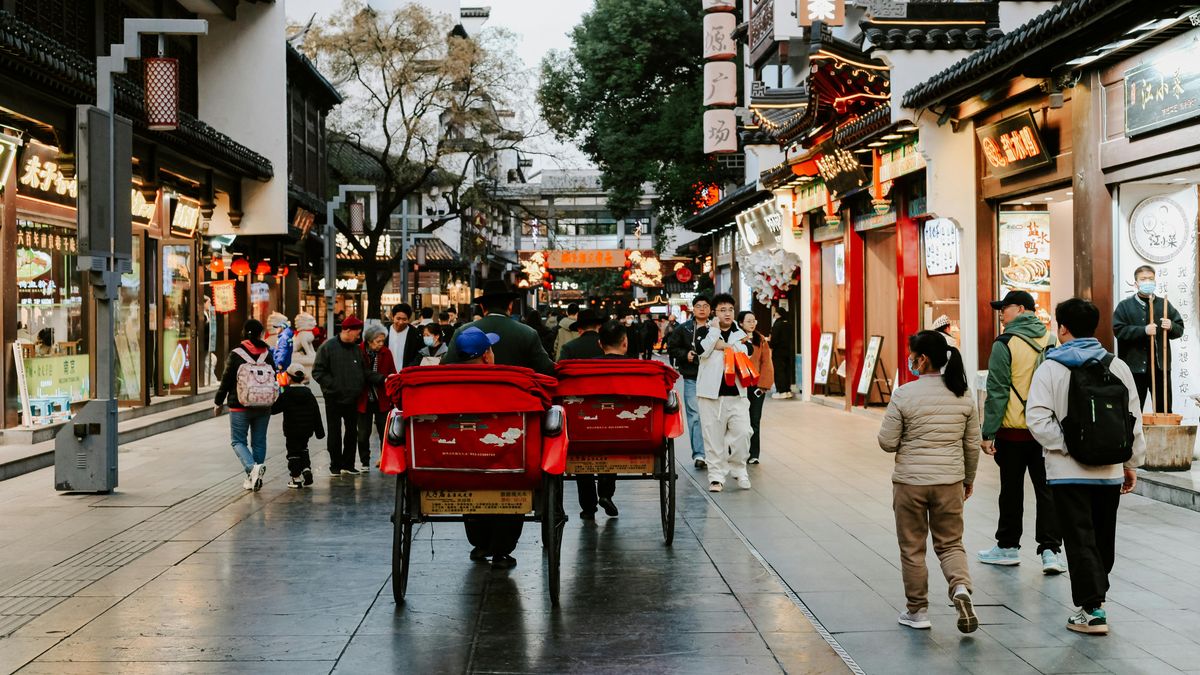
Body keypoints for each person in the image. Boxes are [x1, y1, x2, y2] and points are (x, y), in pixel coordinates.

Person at [1026, 298, 1145, 636]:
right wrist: (1129, 462)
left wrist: (1071, 446)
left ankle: (1091, 609)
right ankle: (1096, 603)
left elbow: (1036, 419)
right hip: (1109, 471)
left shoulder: (1050, 367)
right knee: (1102, 537)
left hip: (1067, 473)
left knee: (1078, 538)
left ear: (1062, 328)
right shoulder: (1117, 366)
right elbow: (1132, 420)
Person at [444, 280, 556, 570]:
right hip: (513, 423)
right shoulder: (527, 333)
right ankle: (502, 549)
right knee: (513, 472)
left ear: (481, 307)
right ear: (510, 306)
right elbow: (548, 373)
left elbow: (444, 372)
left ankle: (480, 543)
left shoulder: (462, 333)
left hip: (465, 425)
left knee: (471, 472)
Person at [878, 330, 980, 634]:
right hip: (949, 481)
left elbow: (886, 441)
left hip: (910, 482)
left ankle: (918, 611)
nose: (910, 360)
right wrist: (968, 479)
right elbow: (972, 444)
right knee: (950, 544)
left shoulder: (904, 394)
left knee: (912, 548)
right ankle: (960, 587)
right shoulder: (963, 395)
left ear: (922, 359)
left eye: (912, 355)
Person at [978, 290, 1065, 573]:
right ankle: (1050, 551)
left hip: (1012, 432)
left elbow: (998, 391)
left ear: (1020, 308)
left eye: (1004, 308)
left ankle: (1007, 547)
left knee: (1011, 490)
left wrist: (988, 432)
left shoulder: (1005, 344)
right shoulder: (1052, 340)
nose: (1001, 313)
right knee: (1047, 491)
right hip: (1046, 433)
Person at [695, 294, 753, 492]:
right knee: (713, 438)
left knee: (743, 433)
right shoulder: (704, 331)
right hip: (710, 395)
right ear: (715, 312)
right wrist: (714, 334)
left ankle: (739, 469)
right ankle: (716, 477)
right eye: (722, 310)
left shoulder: (740, 331)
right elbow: (701, 350)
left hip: (737, 394)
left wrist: (725, 346)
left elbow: (748, 352)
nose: (727, 314)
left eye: (730, 310)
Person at [574, 319, 630, 520]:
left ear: (600, 344)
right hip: (626, 429)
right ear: (625, 342)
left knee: (586, 443)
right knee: (615, 432)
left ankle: (588, 506)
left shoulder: (585, 370)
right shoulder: (637, 368)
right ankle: (606, 494)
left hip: (590, 428)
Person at [214, 319, 276, 491]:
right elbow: (274, 378)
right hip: (264, 406)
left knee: (237, 441)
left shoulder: (236, 354)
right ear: (260, 334)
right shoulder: (267, 354)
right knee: (259, 441)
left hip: (239, 405)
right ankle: (254, 478)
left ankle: (252, 468)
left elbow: (226, 381)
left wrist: (218, 402)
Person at [1113, 265, 1185, 412]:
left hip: (1160, 368)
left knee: (1163, 410)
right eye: (1143, 279)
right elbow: (1118, 330)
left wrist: (1171, 326)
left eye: (1151, 279)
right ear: (1136, 283)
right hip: (1134, 368)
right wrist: (1143, 331)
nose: (1148, 282)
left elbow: (1180, 329)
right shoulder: (1125, 306)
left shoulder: (1164, 304)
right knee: (1132, 411)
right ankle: (1134, 436)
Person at [313, 315, 367, 477]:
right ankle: (335, 465)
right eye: (357, 333)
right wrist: (333, 386)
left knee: (352, 432)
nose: (359, 336)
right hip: (333, 398)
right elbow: (318, 372)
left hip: (353, 398)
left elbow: (363, 371)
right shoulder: (327, 347)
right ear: (348, 330)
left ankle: (349, 464)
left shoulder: (357, 349)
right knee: (334, 432)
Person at [667, 297, 711, 467]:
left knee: (715, 416)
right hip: (692, 377)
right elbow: (672, 347)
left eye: (705, 306)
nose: (702, 309)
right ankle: (699, 455)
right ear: (693, 309)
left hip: (714, 378)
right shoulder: (683, 329)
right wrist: (685, 355)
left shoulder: (715, 328)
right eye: (698, 306)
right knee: (695, 416)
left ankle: (715, 451)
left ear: (710, 310)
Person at [271, 363, 324, 489]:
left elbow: (274, 409)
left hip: (292, 430)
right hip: (306, 430)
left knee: (293, 452)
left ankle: (296, 478)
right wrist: (319, 431)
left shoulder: (287, 394)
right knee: (304, 448)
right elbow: (316, 412)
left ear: (288, 377)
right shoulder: (309, 393)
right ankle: (306, 469)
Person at [357, 324, 396, 472]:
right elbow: (361, 373)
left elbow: (392, 372)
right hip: (364, 398)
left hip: (382, 398)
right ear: (369, 340)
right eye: (378, 341)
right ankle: (364, 462)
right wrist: (382, 379)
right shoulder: (359, 351)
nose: (381, 344)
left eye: (382, 341)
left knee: (383, 431)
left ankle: (384, 459)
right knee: (363, 433)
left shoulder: (386, 352)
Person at [737, 311, 774, 465]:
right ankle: (738, 452)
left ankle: (754, 454)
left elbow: (767, 363)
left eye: (754, 320)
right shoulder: (735, 339)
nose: (752, 324)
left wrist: (764, 385)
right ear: (740, 323)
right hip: (739, 385)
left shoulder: (761, 340)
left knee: (754, 420)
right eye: (748, 321)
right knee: (739, 421)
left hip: (756, 386)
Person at [386, 303, 422, 373]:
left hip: (407, 374)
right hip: (386, 375)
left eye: (404, 319)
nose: (401, 322)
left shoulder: (415, 333)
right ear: (393, 317)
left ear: (409, 319)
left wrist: (409, 369)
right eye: (398, 318)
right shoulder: (384, 331)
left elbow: (419, 354)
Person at [769, 305, 794, 399]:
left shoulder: (777, 324)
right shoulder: (789, 324)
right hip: (788, 351)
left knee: (779, 370)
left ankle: (781, 391)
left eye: (775, 313)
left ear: (778, 314)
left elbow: (774, 339)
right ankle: (787, 390)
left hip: (778, 352)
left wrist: (771, 346)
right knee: (787, 370)